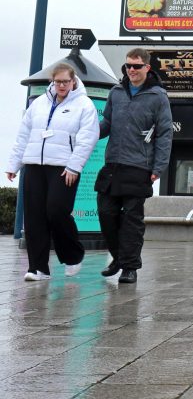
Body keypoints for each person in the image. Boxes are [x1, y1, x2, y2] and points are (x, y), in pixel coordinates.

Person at [6, 63, 99, 281]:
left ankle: (73, 255)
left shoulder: (84, 105)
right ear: (52, 81)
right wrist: (14, 164)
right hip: (34, 166)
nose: (62, 85)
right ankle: (38, 268)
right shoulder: (38, 104)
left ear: (73, 81)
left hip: (64, 167)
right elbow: (23, 136)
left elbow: (88, 139)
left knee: (56, 211)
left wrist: (74, 166)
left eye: (66, 81)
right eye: (58, 82)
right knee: (34, 216)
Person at [94, 49, 174, 284]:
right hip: (112, 165)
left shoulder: (158, 97)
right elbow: (106, 122)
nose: (131, 70)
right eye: (128, 66)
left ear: (147, 68)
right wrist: (88, 133)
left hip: (139, 167)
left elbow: (165, 133)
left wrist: (158, 168)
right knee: (106, 213)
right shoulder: (116, 92)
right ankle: (119, 257)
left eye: (136, 66)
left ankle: (130, 268)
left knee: (131, 219)